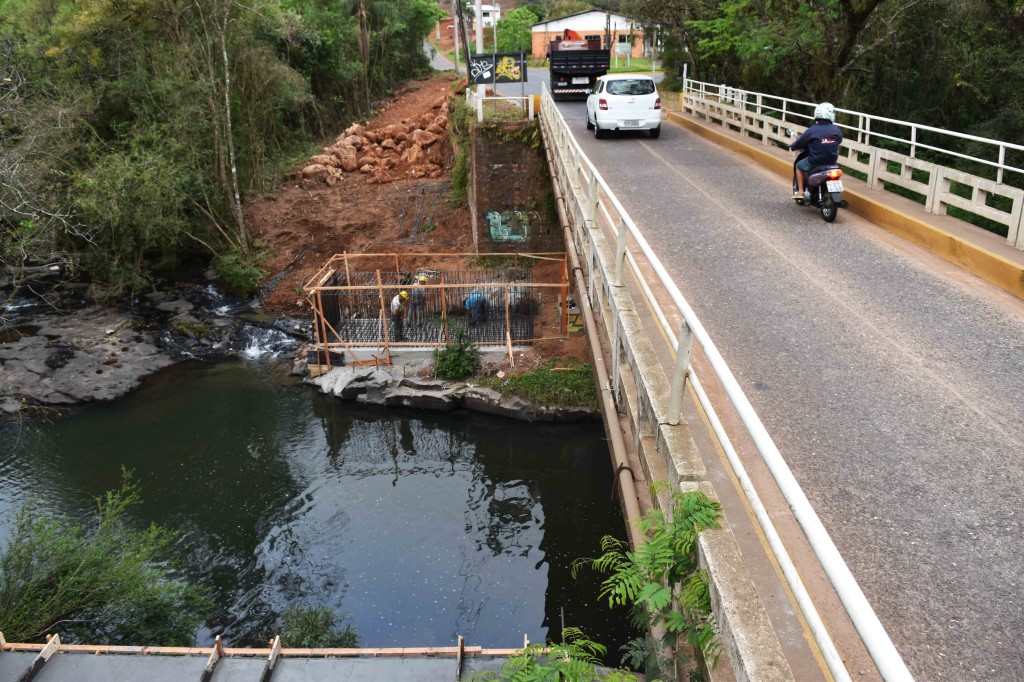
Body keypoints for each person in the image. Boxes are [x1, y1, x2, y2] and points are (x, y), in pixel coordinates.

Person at [789, 102, 843, 199]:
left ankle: (801, 192)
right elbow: (839, 140)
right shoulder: (836, 130)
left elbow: (800, 142)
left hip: (815, 161)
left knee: (799, 166)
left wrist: (793, 146)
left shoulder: (813, 130)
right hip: (832, 162)